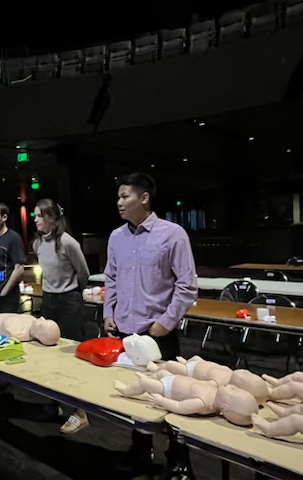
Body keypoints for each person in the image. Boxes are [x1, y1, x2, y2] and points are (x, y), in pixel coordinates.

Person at [103, 172, 198, 476]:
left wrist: (167, 322)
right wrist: (108, 312)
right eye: (118, 197)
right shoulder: (116, 237)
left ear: (144, 198)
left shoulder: (172, 234)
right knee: (136, 395)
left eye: (125, 196)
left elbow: (187, 286)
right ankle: (141, 451)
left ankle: (179, 459)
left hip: (159, 332)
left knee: (170, 396)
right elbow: (111, 278)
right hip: (125, 331)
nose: (119, 202)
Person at [32, 198, 90, 434]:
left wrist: (72, 293)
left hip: (69, 301)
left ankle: (80, 412)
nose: (35, 220)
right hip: (49, 300)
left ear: (52, 218)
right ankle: (54, 403)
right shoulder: (38, 243)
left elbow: (83, 273)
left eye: (39, 215)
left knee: (71, 356)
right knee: (50, 354)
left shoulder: (68, 242)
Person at [0, 203, 26, 315]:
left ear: (4, 217)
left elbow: (19, 268)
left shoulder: (13, 238)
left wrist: (4, 292)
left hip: (7, 298)